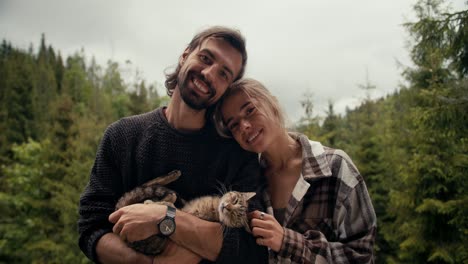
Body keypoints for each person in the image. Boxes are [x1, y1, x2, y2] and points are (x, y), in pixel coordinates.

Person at [78, 27, 268, 264]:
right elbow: (91, 227)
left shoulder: (237, 154)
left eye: (224, 74)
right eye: (205, 58)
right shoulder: (122, 136)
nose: (209, 74)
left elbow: (252, 248)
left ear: (226, 89)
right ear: (185, 55)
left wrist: (166, 218)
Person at [213, 78, 377, 263]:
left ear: (272, 103)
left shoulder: (335, 168)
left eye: (250, 110)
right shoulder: (245, 183)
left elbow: (362, 256)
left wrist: (287, 241)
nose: (244, 126)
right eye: (234, 124)